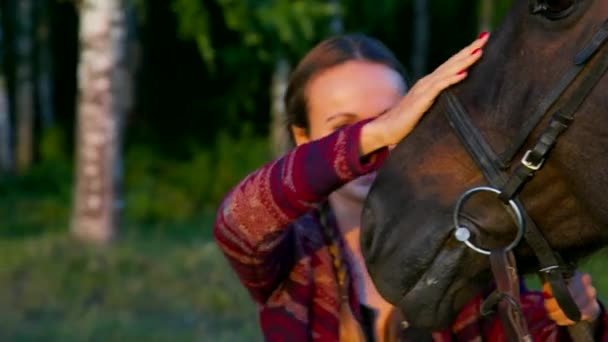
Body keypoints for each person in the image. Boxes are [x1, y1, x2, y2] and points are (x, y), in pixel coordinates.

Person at [213, 32, 607, 341]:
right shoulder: (295, 253)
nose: (383, 144)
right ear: (303, 137)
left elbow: (527, 330)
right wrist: (375, 134)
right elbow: (239, 222)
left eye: (396, 116)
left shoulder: (469, 233)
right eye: (345, 127)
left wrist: (580, 320)